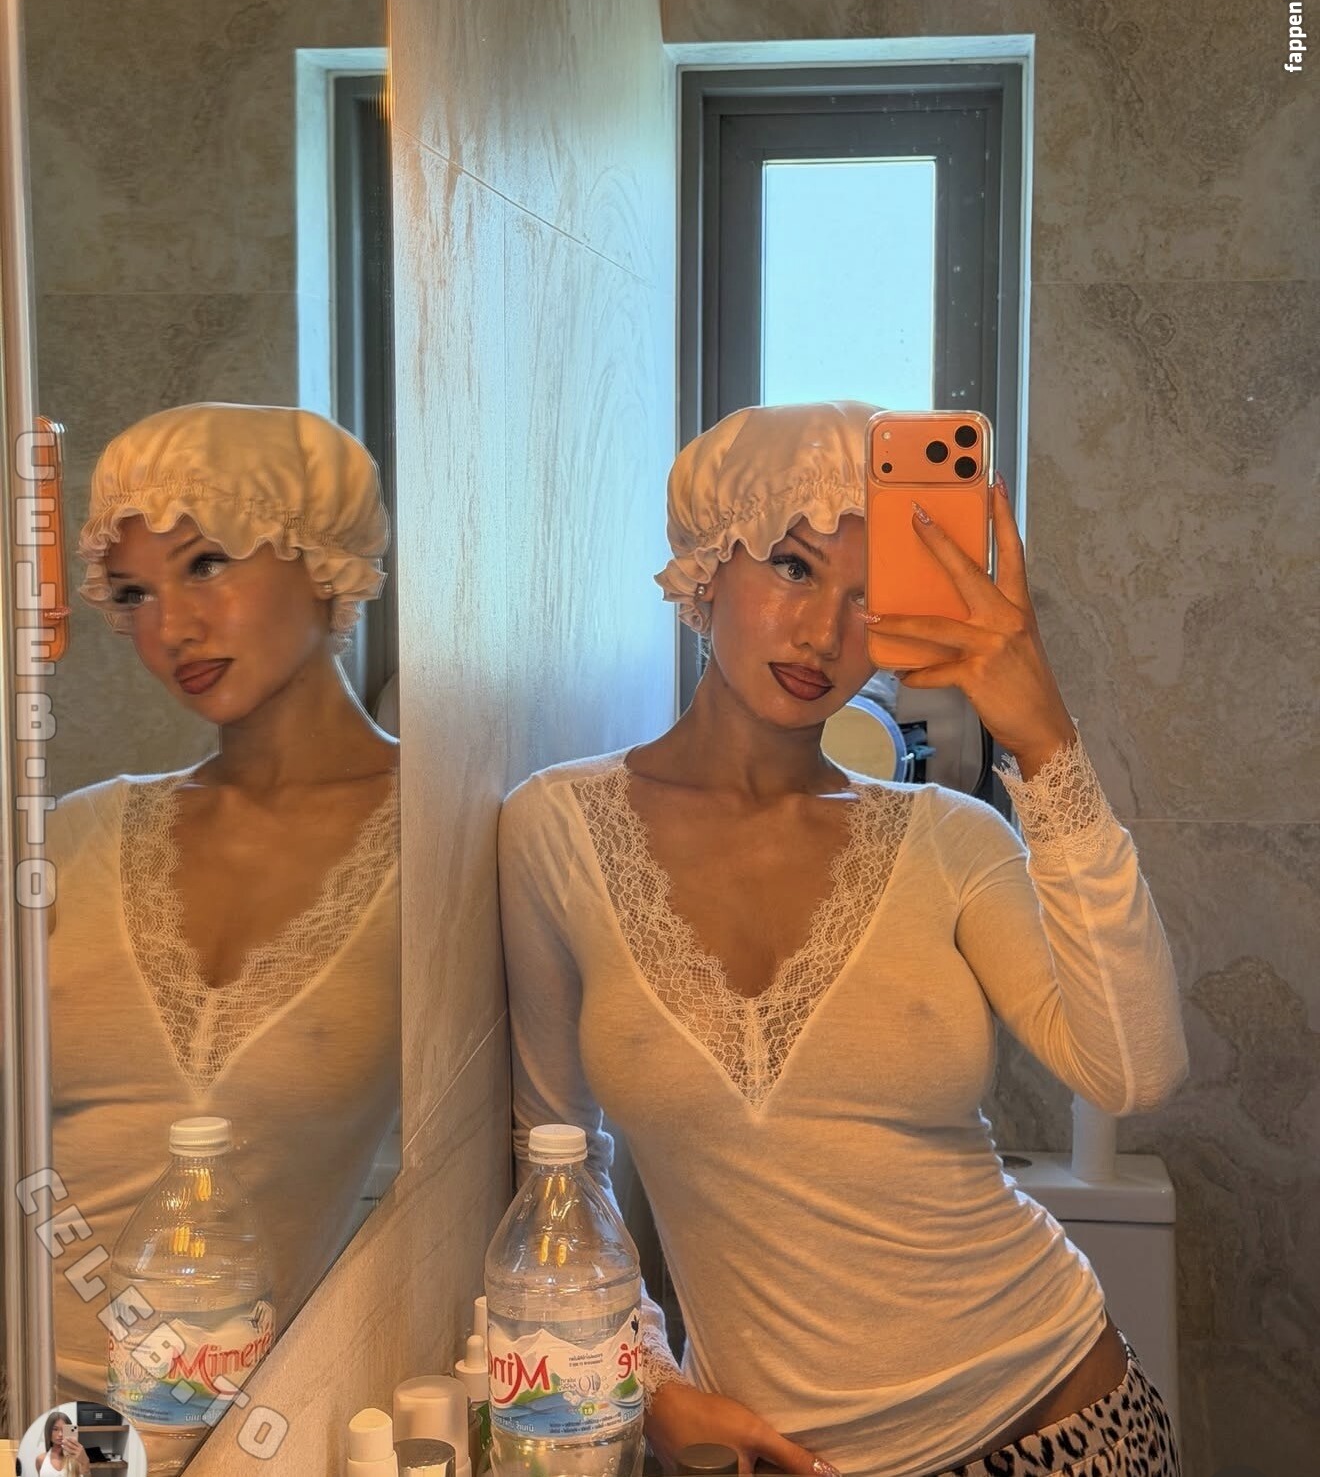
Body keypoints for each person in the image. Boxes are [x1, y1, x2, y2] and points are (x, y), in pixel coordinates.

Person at [497, 402, 1189, 1477]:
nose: (825, 633)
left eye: (870, 597)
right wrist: (650, 1382)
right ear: (706, 571)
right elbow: (555, 1158)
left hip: (1063, 1420)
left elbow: (1133, 1069)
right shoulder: (554, 829)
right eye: (793, 567)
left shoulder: (952, 837)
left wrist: (1045, 739)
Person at [46, 403, 400, 1401]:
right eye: (133, 592)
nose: (170, 629)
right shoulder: (76, 835)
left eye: (205, 563)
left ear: (322, 557)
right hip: (33, 1412)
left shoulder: (449, 841)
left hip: (276, 1430)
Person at [36, 1413, 88, 1477]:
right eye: (55, 1429)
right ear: (48, 1431)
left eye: (64, 1429)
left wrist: (86, 1463)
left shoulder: (77, 1458)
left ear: (70, 1431)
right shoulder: (40, 1459)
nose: (60, 1434)